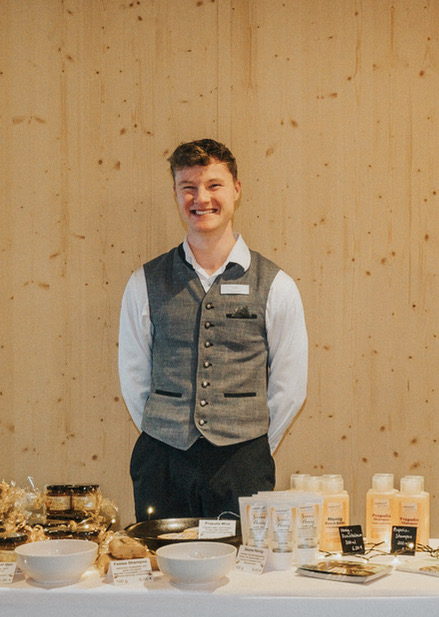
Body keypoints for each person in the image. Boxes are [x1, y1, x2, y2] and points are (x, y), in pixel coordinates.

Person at [118, 138, 308, 520]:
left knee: (240, 560)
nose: (201, 198)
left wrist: (253, 447)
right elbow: (133, 376)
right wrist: (165, 436)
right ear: (175, 193)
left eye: (213, 185)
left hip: (242, 465)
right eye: (188, 187)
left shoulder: (277, 285)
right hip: (163, 465)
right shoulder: (144, 282)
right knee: (161, 558)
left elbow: (290, 387)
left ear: (236, 189)